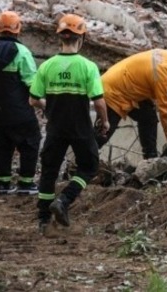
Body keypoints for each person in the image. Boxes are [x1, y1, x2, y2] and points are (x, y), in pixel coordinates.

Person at [29, 14, 110, 233]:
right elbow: (99, 102)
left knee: (49, 172)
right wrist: (105, 121)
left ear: (60, 38)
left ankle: (44, 220)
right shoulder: (88, 66)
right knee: (89, 166)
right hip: (80, 128)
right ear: (81, 37)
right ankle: (64, 200)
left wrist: (49, 106)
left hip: (55, 128)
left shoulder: (46, 66)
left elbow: (33, 99)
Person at [0, 11, 41, 195]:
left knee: (2, 144)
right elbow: (32, 85)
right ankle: (26, 183)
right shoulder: (22, 53)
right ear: (17, 30)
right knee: (30, 142)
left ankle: (3, 183)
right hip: (20, 111)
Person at [96, 49, 167, 159]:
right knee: (103, 132)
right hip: (113, 92)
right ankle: (83, 161)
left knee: (148, 118)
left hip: (128, 87)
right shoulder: (164, 75)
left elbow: (147, 77)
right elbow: (165, 112)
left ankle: (150, 159)